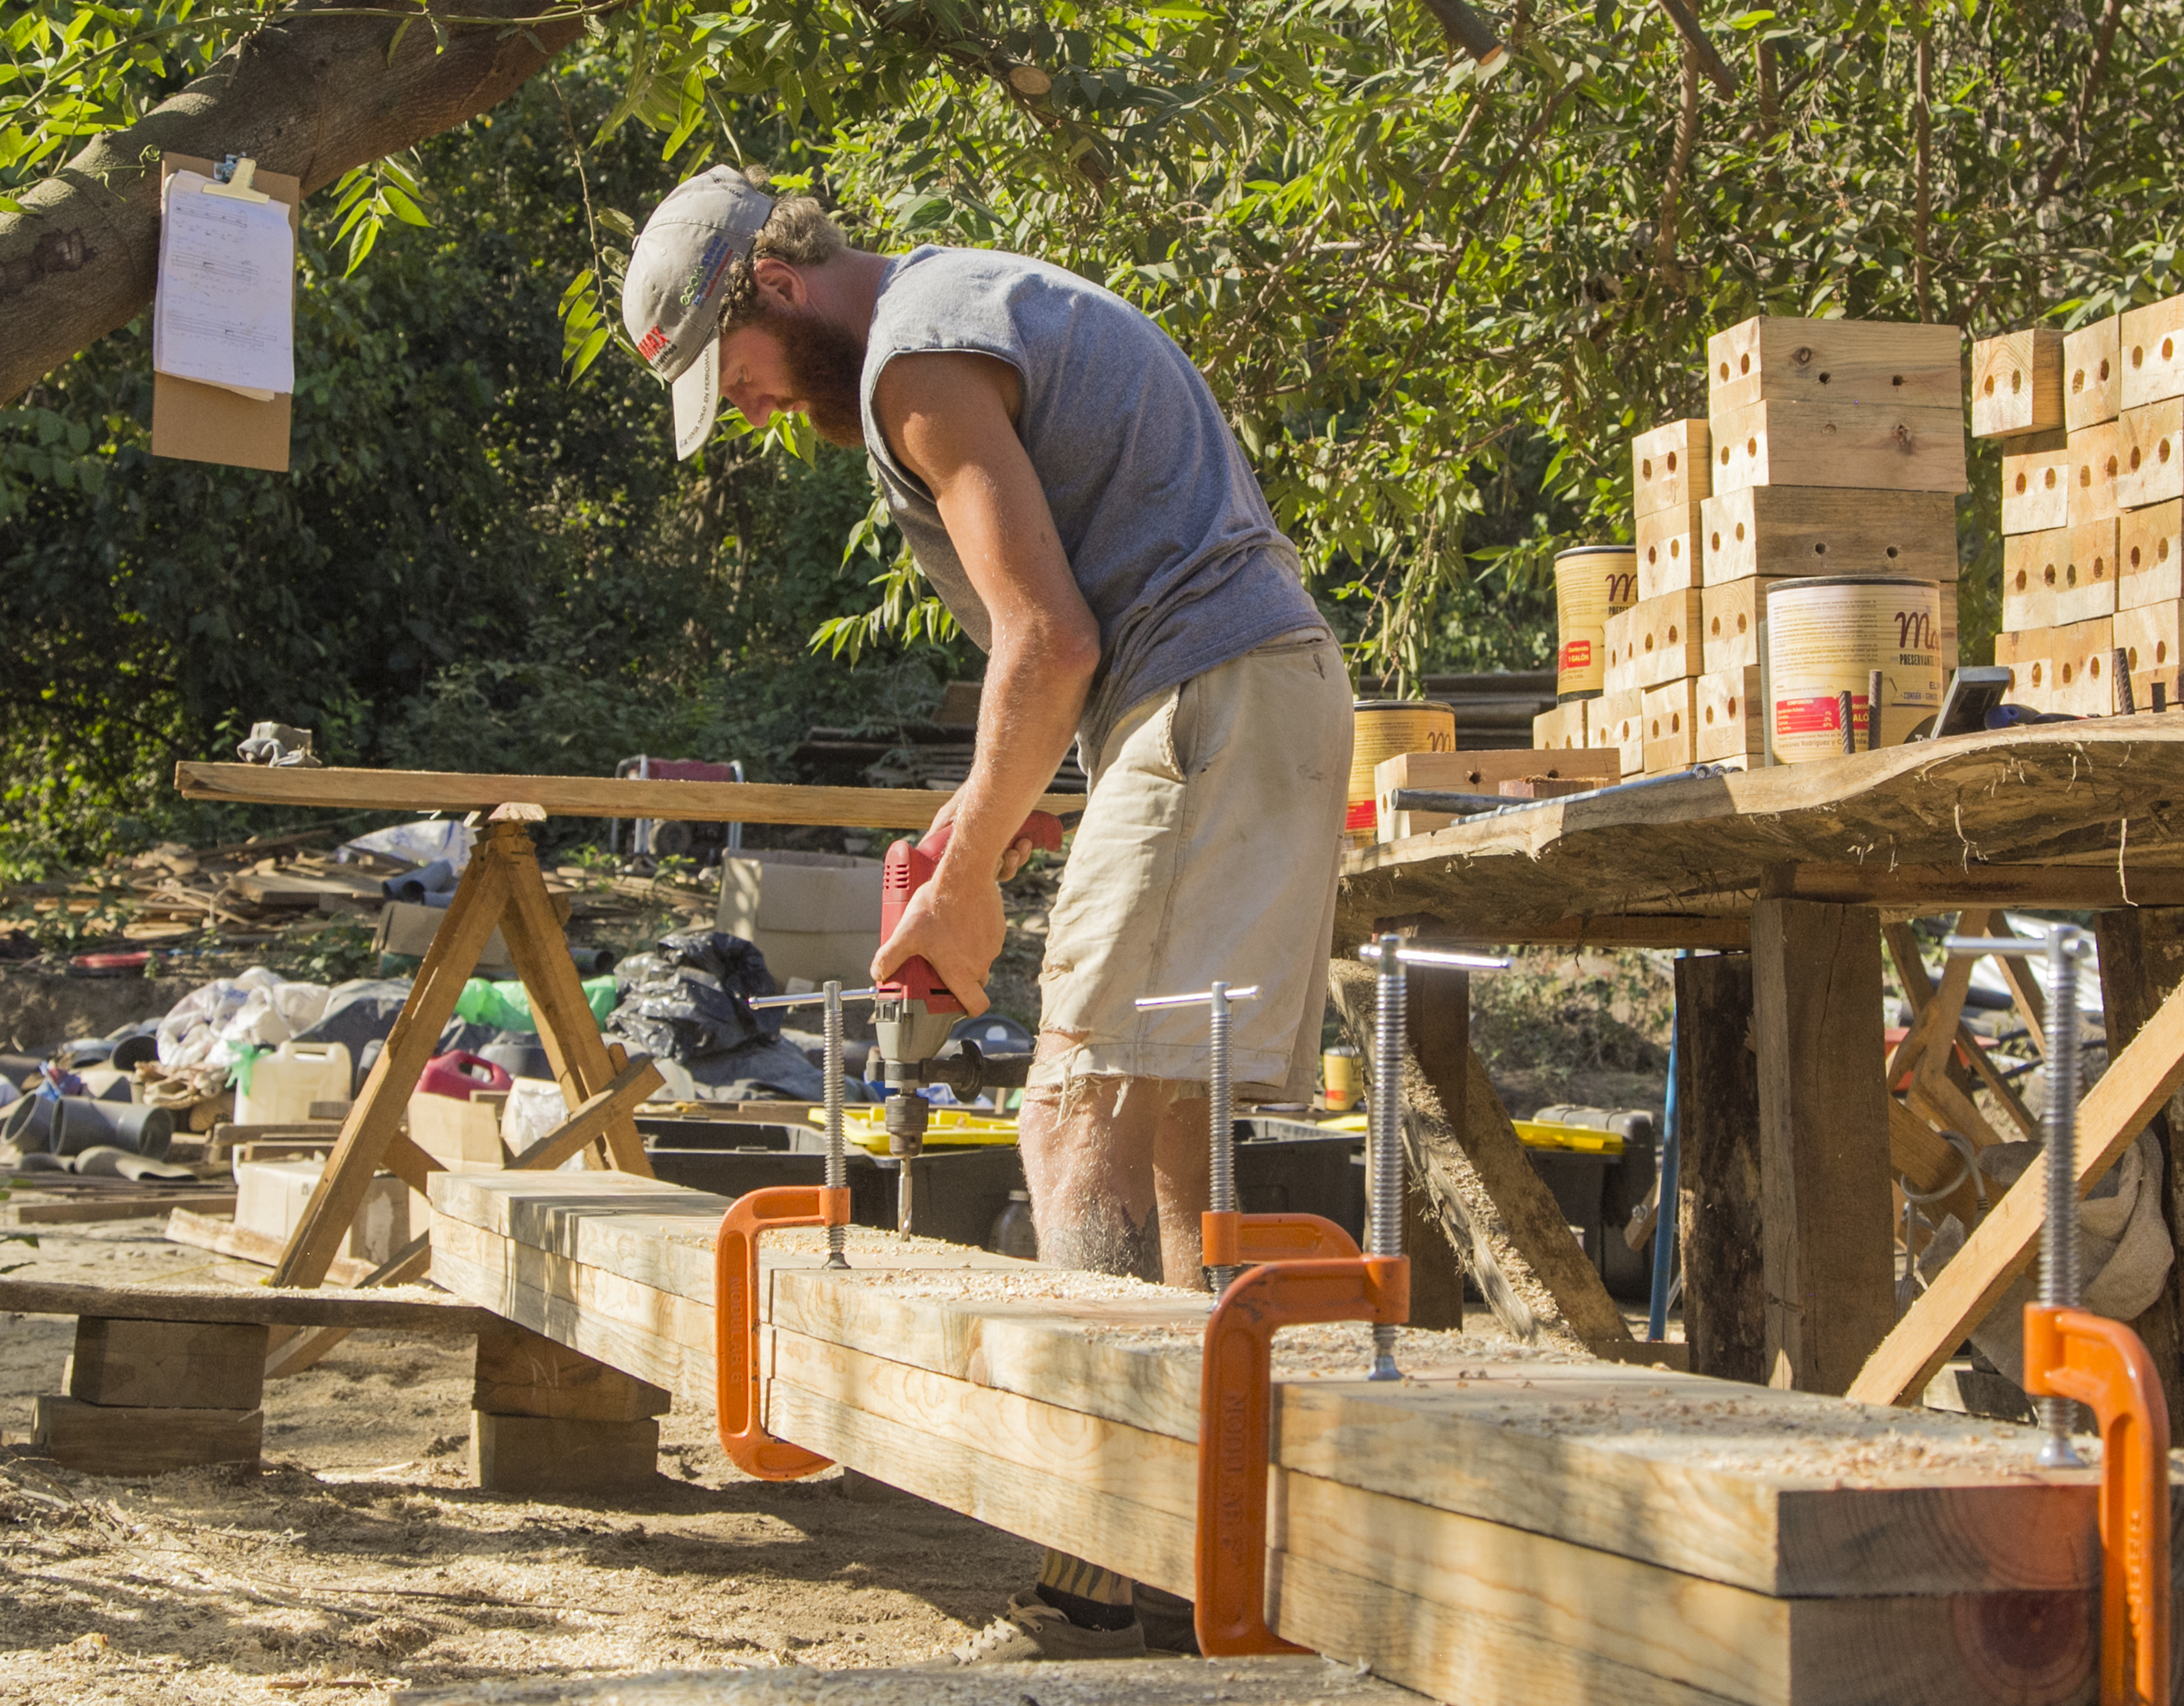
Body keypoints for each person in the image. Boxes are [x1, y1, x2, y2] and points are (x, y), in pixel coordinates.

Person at [622, 165, 1353, 1660]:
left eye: (734, 374)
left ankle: (1100, 1553)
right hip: (1243, 686)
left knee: (1069, 1117)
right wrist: (983, 816)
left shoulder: (914, 358)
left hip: (1203, 691)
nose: (748, 410)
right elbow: (1072, 631)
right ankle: (1199, 1547)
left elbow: (1050, 634)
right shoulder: (961, 308)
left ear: (769, 285)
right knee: (1158, 1131)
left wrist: (963, 880)